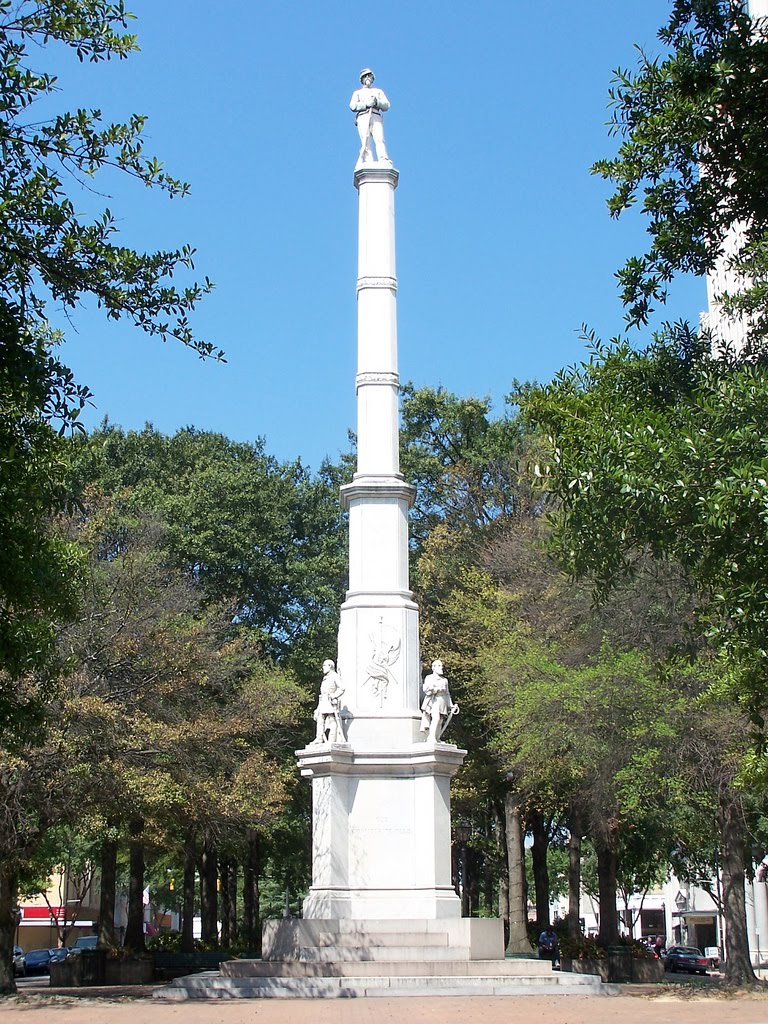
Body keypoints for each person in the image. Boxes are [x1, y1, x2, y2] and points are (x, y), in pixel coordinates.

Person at [349, 68, 391, 166]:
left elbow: (386, 105)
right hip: (363, 116)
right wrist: (366, 104)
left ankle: (383, 158)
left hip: (376, 116)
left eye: (369, 76)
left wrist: (377, 102)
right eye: (365, 76)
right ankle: (368, 160)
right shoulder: (357, 93)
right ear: (362, 79)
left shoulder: (378, 91)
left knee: (379, 138)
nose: (367, 78)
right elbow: (353, 106)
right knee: (365, 140)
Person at [420, 659, 458, 742]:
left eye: (441, 666)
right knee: (435, 718)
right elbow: (425, 689)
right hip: (434, 700)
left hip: (442, 701)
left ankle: (437, 738)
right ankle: (431, 737)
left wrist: (451, 705)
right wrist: (436, 689)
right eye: (439, 666)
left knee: (440, 720)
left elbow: (447, 694)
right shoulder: (429, 678)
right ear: (434, 668)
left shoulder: (444, 680)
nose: (441, 667)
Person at [312, 659, 345, 744]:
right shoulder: (326, 678)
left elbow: (341, 688)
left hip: (330, 701)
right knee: (320, 719)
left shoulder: (335, 676)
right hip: (323, 700)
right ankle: (319, 738)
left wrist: (334, 696)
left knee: (332, 719)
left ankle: (332, 739)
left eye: (324, 665)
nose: (323, 668)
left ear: (330, 666)